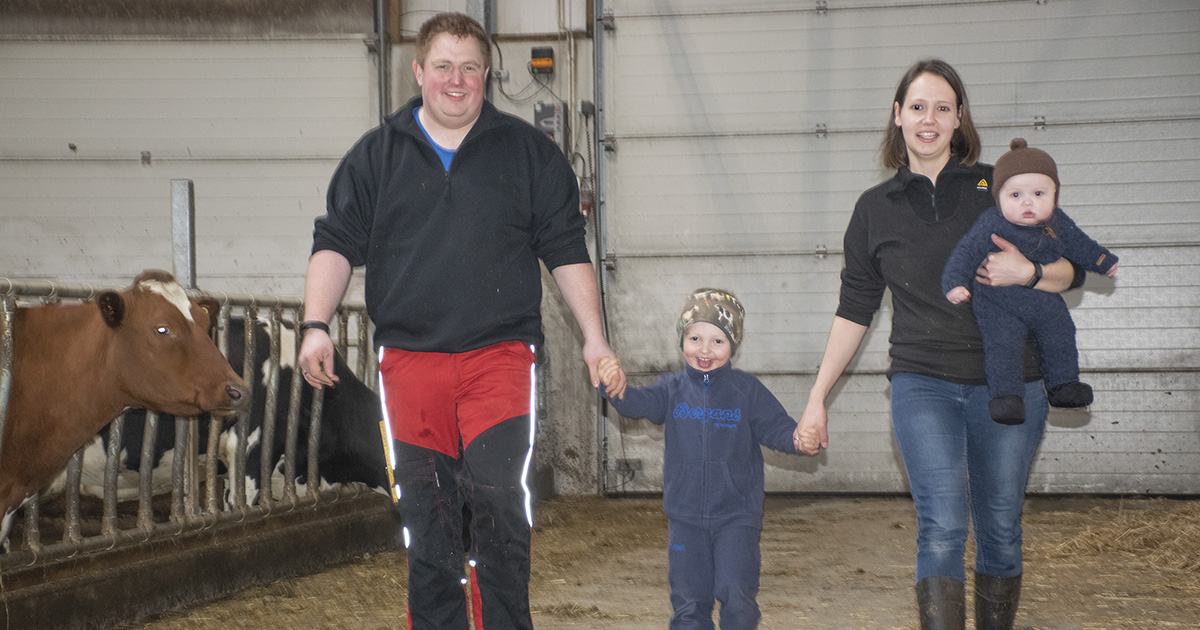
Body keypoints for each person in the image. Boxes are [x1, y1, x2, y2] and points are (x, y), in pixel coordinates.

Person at [296, 12, 626, 630]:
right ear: (419, 71)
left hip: (499, 357)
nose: (456, 80)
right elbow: (335, 243)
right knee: (428, 516)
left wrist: (594, 339)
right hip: (409, 362)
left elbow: (565, 249)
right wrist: (316, 324)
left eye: (470, 68)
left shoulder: (529, 154)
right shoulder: (375, 157)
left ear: (486, 75)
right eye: (443, 66)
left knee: (500, 501)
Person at [794, 60, 1086, 630]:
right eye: (918, 107)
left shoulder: (998, 188)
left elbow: (1070, 271)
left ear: (959, 119)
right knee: (943, 526)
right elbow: (854, 309)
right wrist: (816, 397)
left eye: (943, 108)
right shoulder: (873, 209)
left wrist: (1028, 272)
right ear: (897, 115)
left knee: (999, 527)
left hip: (1009, 385)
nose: (929, 119)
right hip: (922, 382)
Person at [597, 288, 818, 630]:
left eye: (718, 341)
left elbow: (776, 428)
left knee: (737, 595)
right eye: (695, 338)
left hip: (736, 516)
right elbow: (637, 404)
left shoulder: (746, 390)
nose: (704, 350)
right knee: (688, 603)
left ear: (733, 344)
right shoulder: (670, 389)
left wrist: (798, 438)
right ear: (682, 340)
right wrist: (615, 387)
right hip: (685, 516)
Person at [942, 138, 1119, 424]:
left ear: (1054, 195)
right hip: (997, 302)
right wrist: (954, 283)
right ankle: (1006, 399)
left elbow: (1080, 245)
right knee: (1003, 346)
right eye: (1015, 195)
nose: (1028, 202)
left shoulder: (1057, 222)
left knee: (1061, 332)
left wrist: (1103, 260)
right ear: (998, 198)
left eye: (1038, 193)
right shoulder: (991, 222)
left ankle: (1063, 385)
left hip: (1042, 297)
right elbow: (966, 252)